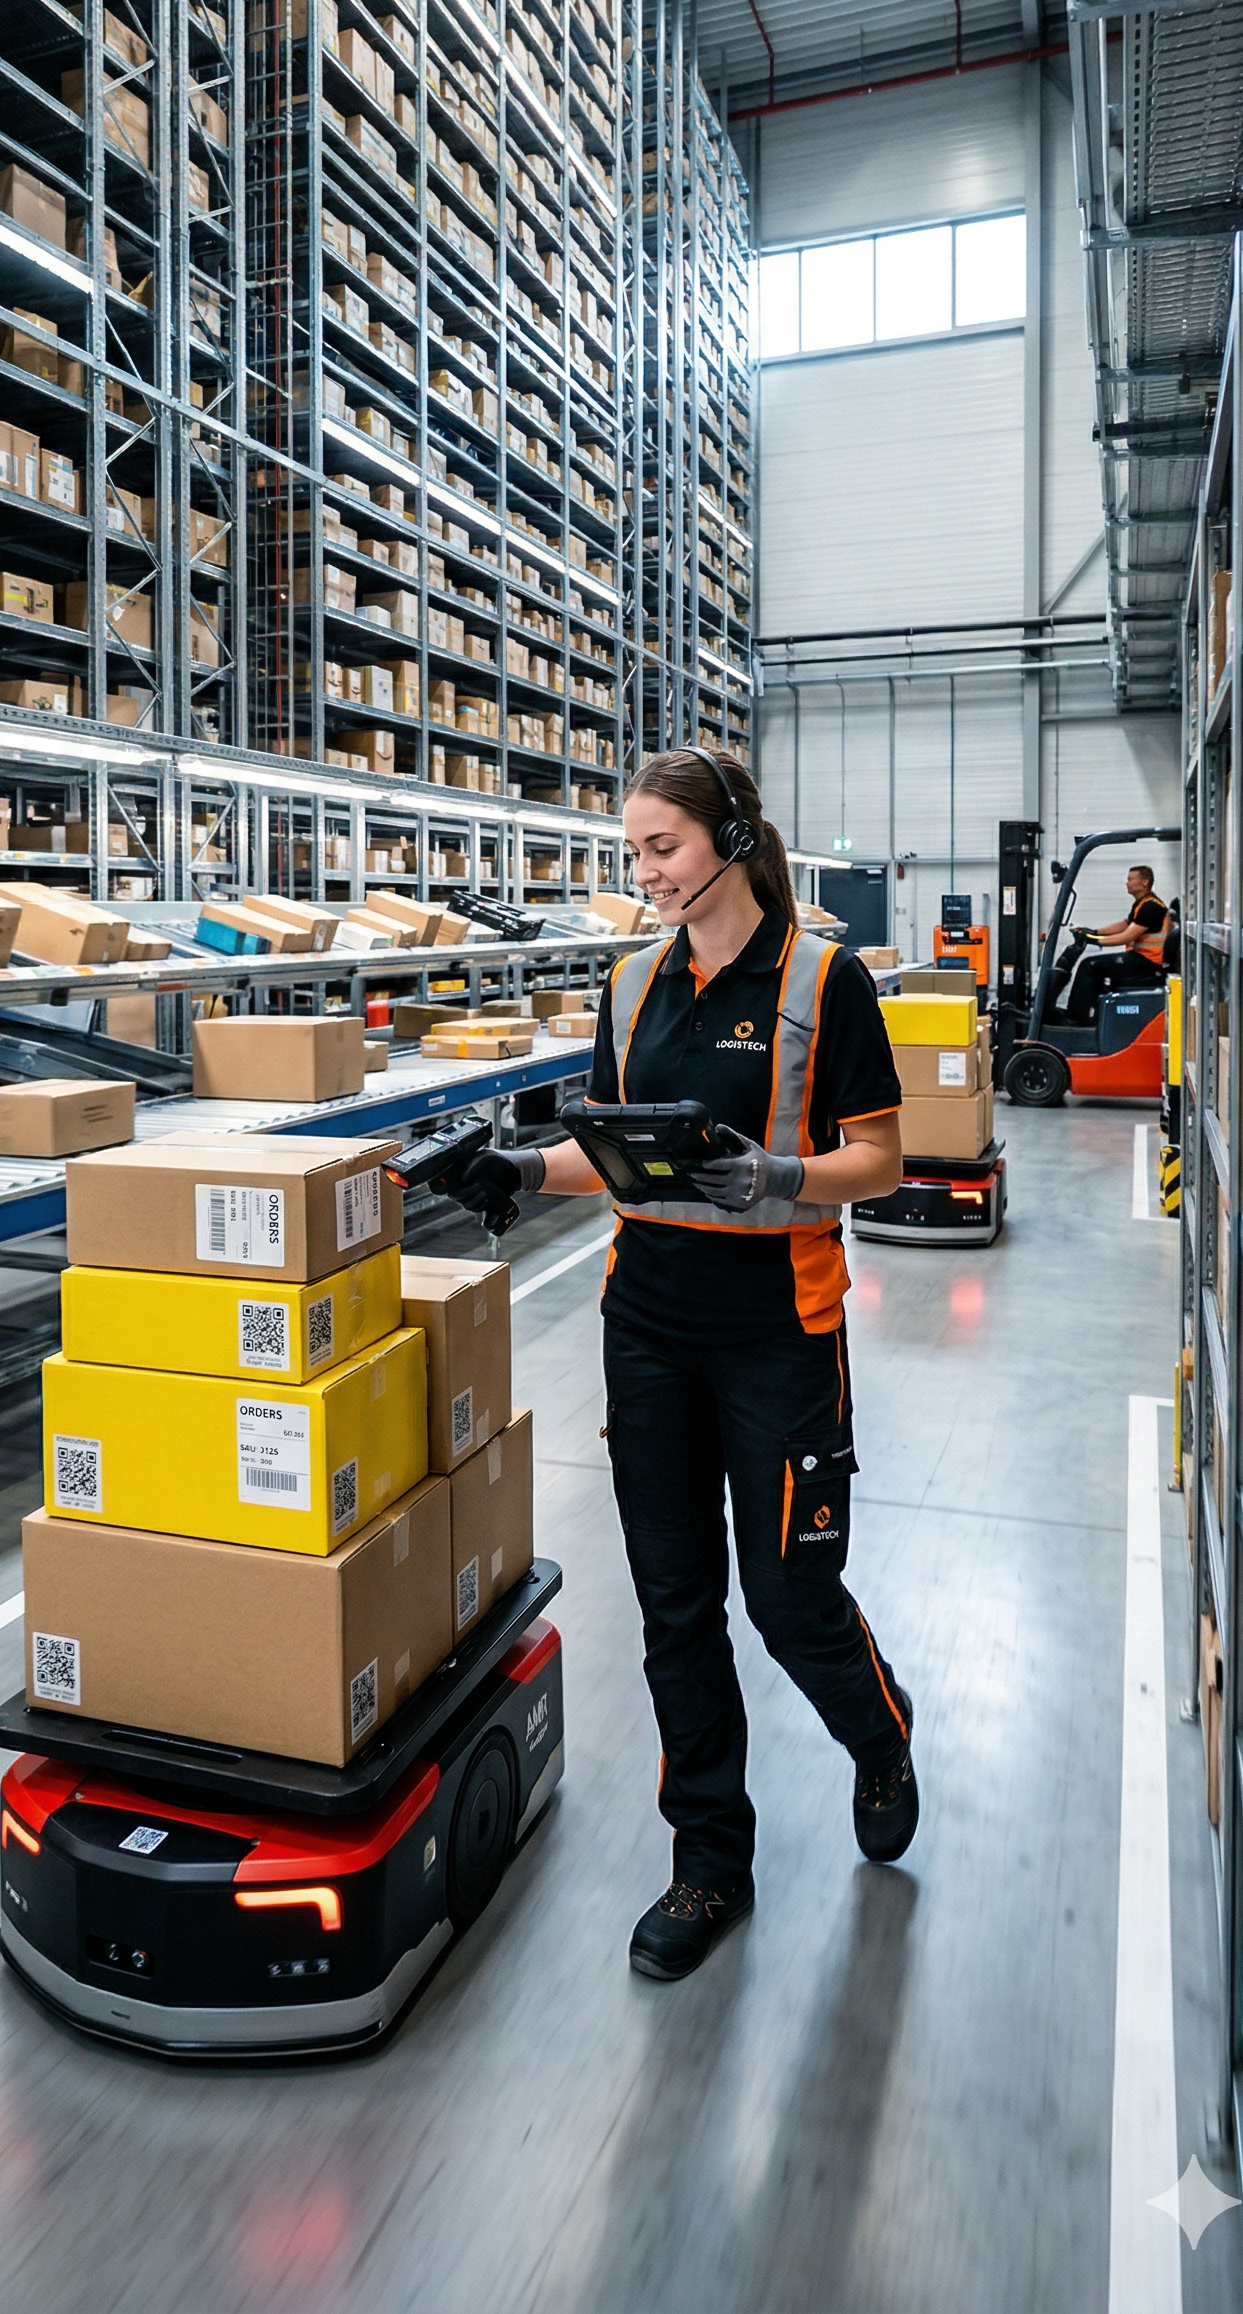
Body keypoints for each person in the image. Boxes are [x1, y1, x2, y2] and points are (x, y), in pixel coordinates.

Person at [441, 747, 915, 1982]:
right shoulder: (633, 983)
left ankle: (880, 1734)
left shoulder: (826, 980)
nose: (643, 872)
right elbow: (608, 1149)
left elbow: (883, 1161)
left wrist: (784, 1176)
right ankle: (710, 1863)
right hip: (645, 1326)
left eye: (662, 847)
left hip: (781, 1332)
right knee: (676, 1607)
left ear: (730, 839)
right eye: (634, 850)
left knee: (790, 1598)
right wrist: (516, 1173)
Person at [1064, 864, 1171, 1024]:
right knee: (1096, 968)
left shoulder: (1151, 907)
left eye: (1130, 879)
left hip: (1147, 963)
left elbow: (1127, 936)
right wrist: (1094, 931)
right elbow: (1125, 925)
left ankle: (1076, 1018)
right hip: (1141, 960)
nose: (1126, 883)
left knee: (1090, 965)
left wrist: (1094, 940)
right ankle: (1092, 1017)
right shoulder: (1143, 903)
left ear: (1144, 882)